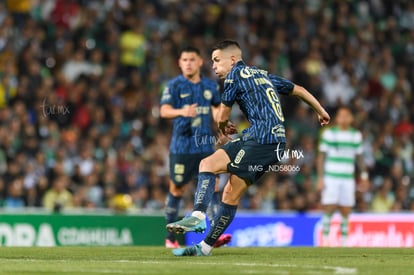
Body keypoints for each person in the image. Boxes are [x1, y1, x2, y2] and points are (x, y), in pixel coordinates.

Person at [167, 40, 330, 256]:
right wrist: (321, 110)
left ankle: (198, 217)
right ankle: (204, 247)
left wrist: (223, 125)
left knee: (225, 184)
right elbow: (298, 89)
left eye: (217, 60)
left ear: (232, 59)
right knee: (215, 174)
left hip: (264, 140)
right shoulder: (262, 75)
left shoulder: (234, 75)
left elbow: (223, 115)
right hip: (260, 138)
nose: (213, 66)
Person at [160, 46, 231, 248]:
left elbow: (217, 111)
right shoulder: (173, 86)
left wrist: (223, 121)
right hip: (182, 147)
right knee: (177, 189)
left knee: (213, 186)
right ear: (179, 63)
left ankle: (214, 235)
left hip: (205, 146)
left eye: (192, 59)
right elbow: (163, 111)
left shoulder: (210, 86)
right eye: (184, 60)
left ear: (200, 62)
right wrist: (182, 111)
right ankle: (170, 239)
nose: (188, 63)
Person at [316, 106, 369, 247]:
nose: (344, 118)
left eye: (347, 115)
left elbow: (360, 158)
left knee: (346, 209)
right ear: (337, 118)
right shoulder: (329, 134)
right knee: (329, 207)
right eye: (341, 115)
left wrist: (364, 176)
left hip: (347, 178)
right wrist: (320, 178)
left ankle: (344, 243)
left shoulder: (355, 135)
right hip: (331, 177)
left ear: (351, 118)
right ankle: (325, 241)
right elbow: (321, 157)